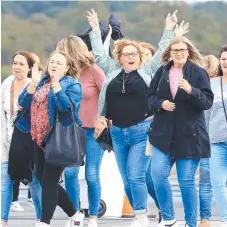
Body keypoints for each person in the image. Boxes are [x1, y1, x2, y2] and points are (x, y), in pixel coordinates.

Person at [87, 8, 180, 227]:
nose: (131, 57)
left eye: (134, 54)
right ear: (119, 58)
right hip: (118, 132)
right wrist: (94, 29)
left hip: (143, 131)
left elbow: (160, 53)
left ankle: (140, 217)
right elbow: (100, 55)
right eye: (126, 54)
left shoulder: (148, 70)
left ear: (139, 57)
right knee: (127, 178)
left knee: (136, 175)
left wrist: (168, 29)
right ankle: (145, 213)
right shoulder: (112, 71)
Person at [147, 36, 214, 227]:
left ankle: (191, 223)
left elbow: (207, 102)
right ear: (169, 53)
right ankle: (169, 218)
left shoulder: (199, 73)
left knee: (186, 181)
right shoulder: (161, 72)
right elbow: (150, 98)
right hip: (162, 135)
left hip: (189, 135)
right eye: (175, 50)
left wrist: (191, 90)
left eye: (182, 50)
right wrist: (160, 103)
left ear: (188, 52)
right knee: (157, 175)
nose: (179, 53)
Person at [18, 51, 83, 227]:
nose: (53, 65)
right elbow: (22, 102)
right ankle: (75, 214)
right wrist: (33, 83)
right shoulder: (41, 80)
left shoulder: (73, 84)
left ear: (67, 68)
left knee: (48, 180)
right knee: (45, 180)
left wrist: (56, 86)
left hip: (58, 139)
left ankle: (44, 222)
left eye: (59, 63)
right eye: (52, 61)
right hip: (38, 137)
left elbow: (65, 108)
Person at [56, 36, 105, 227]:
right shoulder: (62, 74)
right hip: (70, 130)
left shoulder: (93, 71)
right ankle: (74, 215)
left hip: (94, 130)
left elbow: (108, 96)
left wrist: (104, 119)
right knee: (70, 174)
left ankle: (93, 216)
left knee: (92, 173)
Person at [1, 51, 42, 227]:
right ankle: (3, 220)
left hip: (26, 142)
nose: (16, 67)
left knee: (33, 182)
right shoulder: (7, 83)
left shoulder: (34, 86)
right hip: (7, 140)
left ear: (30, 69)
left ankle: (41, 219)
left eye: (21, 64)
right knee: (5, 179)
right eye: (15, 63)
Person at [205, 45, 227, 227]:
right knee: (218, 182)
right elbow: (205, 114)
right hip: (216, 140)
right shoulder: (212, 84)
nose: (226, 62)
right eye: (224, 59)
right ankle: (226, 219)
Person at [198, 54, 219, 227]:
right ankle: (205, 218)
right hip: (205, 140)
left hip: (220, 137)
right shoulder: (197, 90)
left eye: (212, 76)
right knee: (205, 181)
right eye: (207, 76)